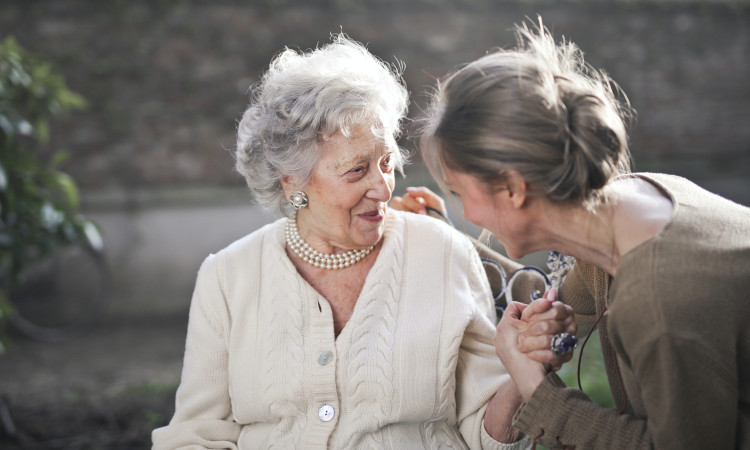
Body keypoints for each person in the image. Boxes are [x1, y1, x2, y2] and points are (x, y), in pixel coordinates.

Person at [151, 34, 576, 449]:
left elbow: (484, 434)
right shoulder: (227, 277)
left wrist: (524, 370)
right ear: (292, 182)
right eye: (357, 171)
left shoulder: (443, 253)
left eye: (387, 162)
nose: (383, 187)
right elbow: (197, 434)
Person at [409, 19, 750, 449]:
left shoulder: (659, 298)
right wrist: (546, 327)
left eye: (459, 192)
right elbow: (567, 307)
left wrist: (537, 389)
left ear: (513, 188)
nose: (468, 212)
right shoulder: (630, 204)